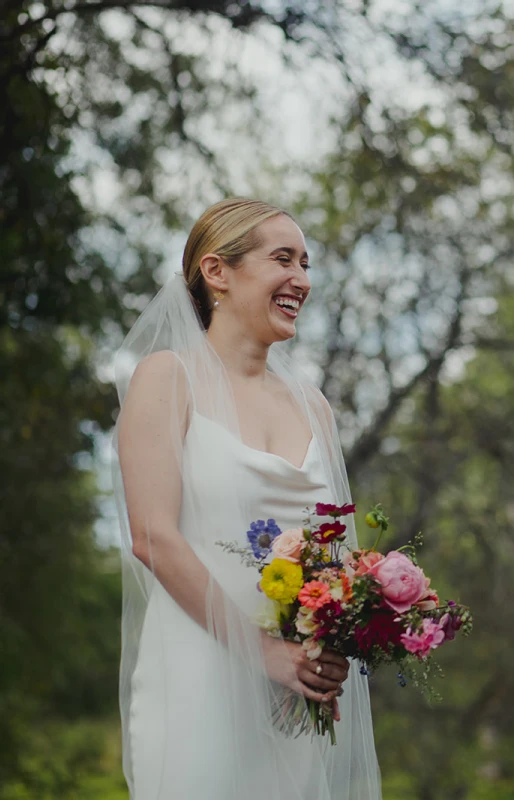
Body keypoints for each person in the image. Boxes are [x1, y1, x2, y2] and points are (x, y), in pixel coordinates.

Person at [114, 199, 382, 798]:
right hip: (198, 672)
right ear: (217, 272)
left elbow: (333, 553)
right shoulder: (166, 377)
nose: (302, 281)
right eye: (282, 259)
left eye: (306, 264)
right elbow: (152, 536)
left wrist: (331, 642)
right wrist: (264, 652)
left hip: (292, 694)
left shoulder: (314, 405)